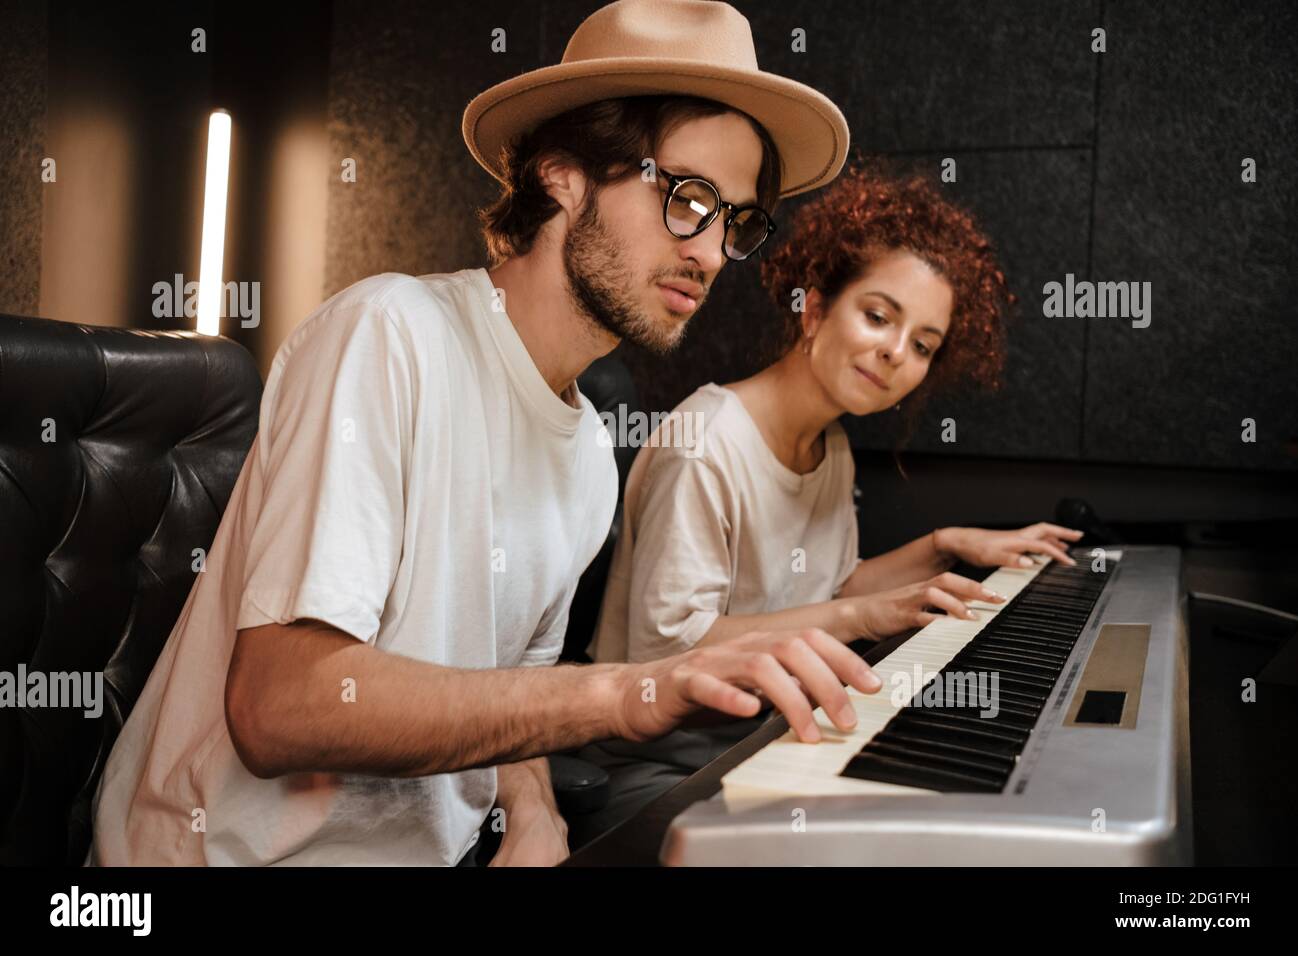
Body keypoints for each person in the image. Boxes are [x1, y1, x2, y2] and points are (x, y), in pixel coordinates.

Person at [87, 0, 875, 867]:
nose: (714, 250)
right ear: (566, 176)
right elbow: (280, 708)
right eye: (689, 197)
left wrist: (533, 813)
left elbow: (513, 700)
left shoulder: (586, 456)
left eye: (738, 221)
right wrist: (622, 693)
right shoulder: (388, 335)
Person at [578, 160, 1083, 845]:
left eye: (922, 346)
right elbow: (669, 647)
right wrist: (857, 614)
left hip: (775, 743)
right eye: (878, 316)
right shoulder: (706, 443)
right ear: (813, 310)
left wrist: (945, 545)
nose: (894, 354)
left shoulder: (829, 443)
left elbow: (828, 586)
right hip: (663, 775)